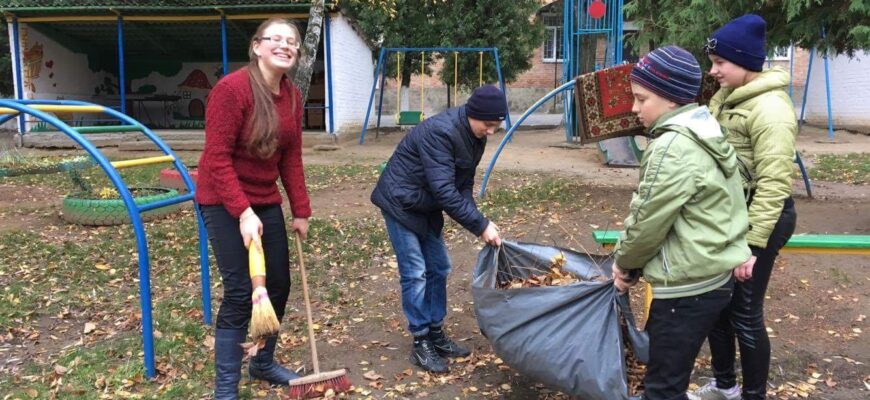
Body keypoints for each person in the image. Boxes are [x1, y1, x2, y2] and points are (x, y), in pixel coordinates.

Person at [610, 46, 752, 400]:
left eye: (642, 99)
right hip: (712, 275)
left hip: (686, 287)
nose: (634, 108)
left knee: (663, 388)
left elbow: (647, 219)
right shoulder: (705, 129)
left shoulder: (673, 146)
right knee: (668, 379)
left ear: (671, 99)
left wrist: (625, 265)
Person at [195, 18, 311, 399]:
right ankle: (225, 389)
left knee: (278, 284)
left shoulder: (292, 96)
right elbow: (216, 157)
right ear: (257, 47)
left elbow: (290, 156)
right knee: (241, 290)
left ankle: (262, 362)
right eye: (275, 39)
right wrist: (243, 213)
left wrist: (301, 210)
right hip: (222, 200)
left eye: (291, 41)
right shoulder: (232, 90)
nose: (284, 45)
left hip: (265, 200)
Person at [692, 14, 798, 400]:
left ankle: (754, 395)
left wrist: (752, 247)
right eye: (713, 62)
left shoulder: (771, 110)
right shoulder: (727, 98)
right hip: (730, 217)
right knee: (718, 308)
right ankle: (725, 387)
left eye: (720, 63)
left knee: (744, 314)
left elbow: (773, 184)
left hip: (761, 221)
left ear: (745, 62)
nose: (713, 70)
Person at [371, 85, 505, 373]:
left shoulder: (475, 136)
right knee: (416, 272)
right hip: (400, 203)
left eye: (496, 126)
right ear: (474, 114)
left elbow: (463, 185)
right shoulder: (440, 133)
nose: (492, 131)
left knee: (439, 267)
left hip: (425, 205)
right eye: (489, 125)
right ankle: (421, 342)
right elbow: (445, 191)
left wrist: (478, 219)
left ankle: (435, 332)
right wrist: (480, 226)